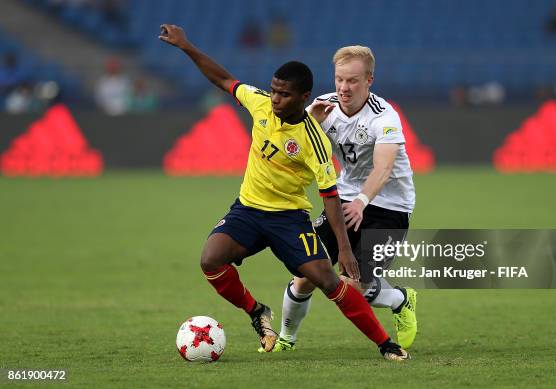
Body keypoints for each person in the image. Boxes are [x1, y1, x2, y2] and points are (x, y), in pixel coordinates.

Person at [159, 25, 408, 361]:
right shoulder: (260, 103)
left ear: (303, 97)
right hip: (247, 209)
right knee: (210, 260)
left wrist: (345, 250)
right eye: (274, 91)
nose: (276, 98)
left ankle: (385, 343)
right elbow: (223, 79)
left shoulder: (313, 140)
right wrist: (186, 45)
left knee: (329, 282)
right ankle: (257, 312)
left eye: (284, 94)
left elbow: (331, 197)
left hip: (289, 219)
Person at [265, 46, 418, 354]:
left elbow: (384, 167)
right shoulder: (324, 108)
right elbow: (288, 140)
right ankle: (285, 340)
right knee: (306, 274)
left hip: (390, 207)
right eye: (339, 80)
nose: (344, 88)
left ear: (369, 80)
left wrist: (362, 201)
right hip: (345, 198)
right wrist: (307, 123)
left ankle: (400, 299)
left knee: (355, 287)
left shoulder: (384, 116)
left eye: (353, 81)